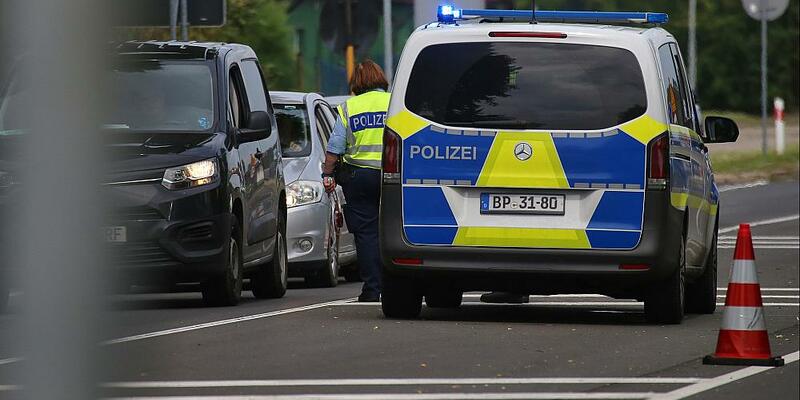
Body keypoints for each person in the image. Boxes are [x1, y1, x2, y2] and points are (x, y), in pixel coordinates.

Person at [322, 60, 390, 302]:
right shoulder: (394, 103)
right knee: (394, 229)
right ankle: (396, 286)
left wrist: (328, 174)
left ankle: (373, 289)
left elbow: (334, 148)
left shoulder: (349, 108)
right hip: (393, 177)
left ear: (357, 83)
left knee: (367, 234)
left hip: (360, 178)